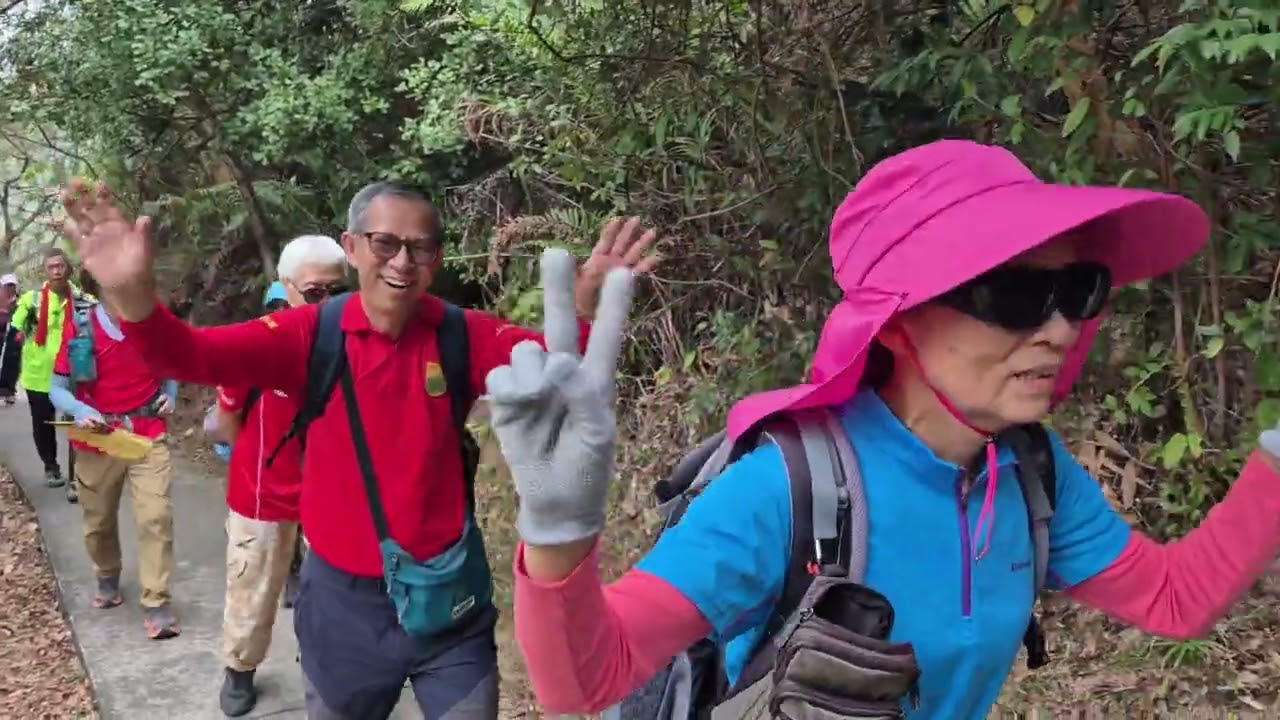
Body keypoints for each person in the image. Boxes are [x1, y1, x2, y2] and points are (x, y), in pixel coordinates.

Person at [486, 140, 1280, 720]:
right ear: (896, 324)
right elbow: (588, 682)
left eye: (1079, 288)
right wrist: (558, 528)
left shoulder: (1032, 473)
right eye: (1011, 294)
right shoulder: (789, 486)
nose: (1061, 330)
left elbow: (1175, 601)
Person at [56, 177, 660, 720]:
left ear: (437, 258)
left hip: (450, 602)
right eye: (383, 243)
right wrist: (134, 298)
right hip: (343, 608)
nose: (401, 261)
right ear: (352, 247)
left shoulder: (459, 334)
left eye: (419, 247)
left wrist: (582, 309)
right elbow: (191, 355)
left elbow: (558, 372)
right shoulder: (306, 334)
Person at [208, 237, 347, 718]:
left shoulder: (360, 339)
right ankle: (239, 671)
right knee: (253, 588)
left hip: (334, 493)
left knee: (337, 595)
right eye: (314, 292)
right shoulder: (258, 341)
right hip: (264, 491)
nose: (326, 302)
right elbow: (227, 421)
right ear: (286, 288)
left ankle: (328, 670)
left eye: (336, 290)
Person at [46, 289, 182, 639]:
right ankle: (107, 575)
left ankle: (157, 600)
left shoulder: (155, 321)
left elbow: (174, 365)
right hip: (98, 437)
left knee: (156, 516)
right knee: (98, 520)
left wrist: (171, 394)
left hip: (147, 433)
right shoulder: (81, 325)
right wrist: (79, 410)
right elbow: (57, 387)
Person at [11, 247, 92, 494]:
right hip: (38, 375)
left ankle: (76, 477)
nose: (56, 271)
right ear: (45, 271)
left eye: (60, 266)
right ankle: (51, 466)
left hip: (73, 374)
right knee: (43, 423)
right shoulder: (31, 301)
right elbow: (13, 335)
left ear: (68, 268)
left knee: (76, 424)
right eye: (51, 267)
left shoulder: (83, 301)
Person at [0, 273, 19, 404]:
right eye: (7, 285)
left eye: (12, 285)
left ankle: (8, 391)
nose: (10, 288)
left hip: (12, 335)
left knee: (11, 363)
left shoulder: (19, 300)